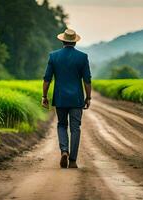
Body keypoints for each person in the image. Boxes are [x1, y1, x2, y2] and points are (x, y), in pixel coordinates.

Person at [42, 29, 92, 169]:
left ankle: (64, 150)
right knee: (75, 128)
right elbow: (87, 80)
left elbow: (47, 79)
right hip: (76, 99)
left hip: (60, 98)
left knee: (62, 125)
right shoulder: (82, 57)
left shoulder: (54, 56)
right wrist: (88, 97)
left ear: (62, 40)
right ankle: (73, 160)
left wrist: (44, 96)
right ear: (75, 41)